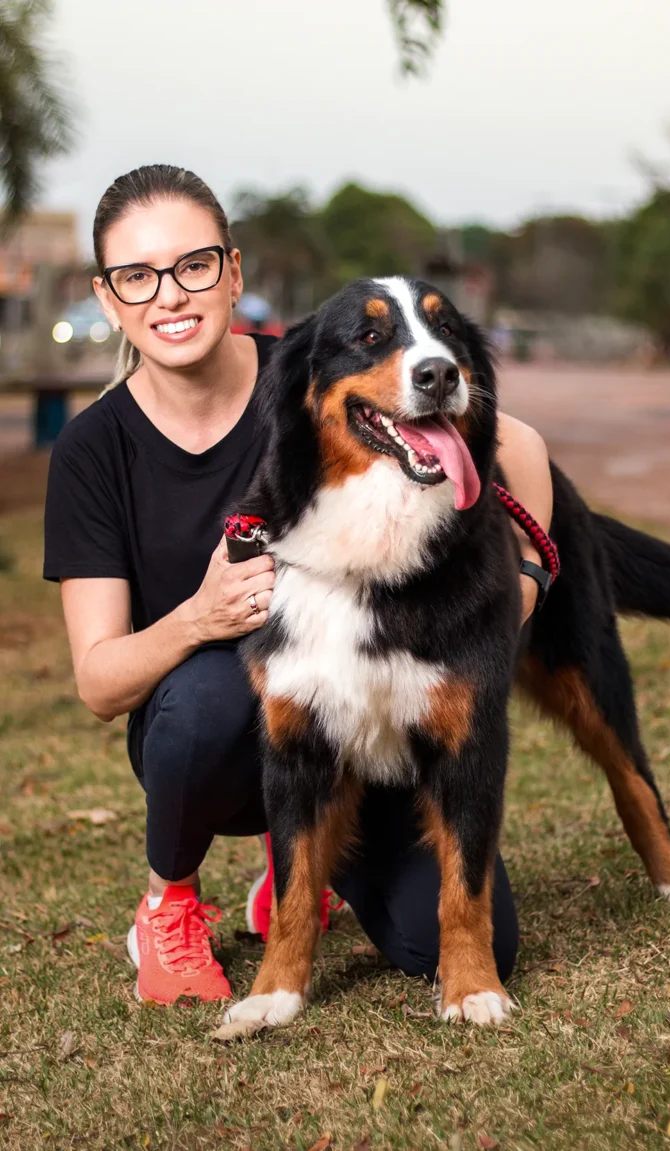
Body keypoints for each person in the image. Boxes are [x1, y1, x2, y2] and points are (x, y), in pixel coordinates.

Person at [43, 165, 554, 1006]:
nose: (169, 294)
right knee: (209, 696)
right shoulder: (94, 449)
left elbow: (515, 443)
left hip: (368, 716)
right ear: (109, 296)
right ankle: (170, 900)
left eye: (194, 265)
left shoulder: (319, 363)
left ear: (233, 272)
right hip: (211, 735)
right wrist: (198, 617)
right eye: (138, 276)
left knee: (453, 941)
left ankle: (305, 871)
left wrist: (528, 577)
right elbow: (99, 682)